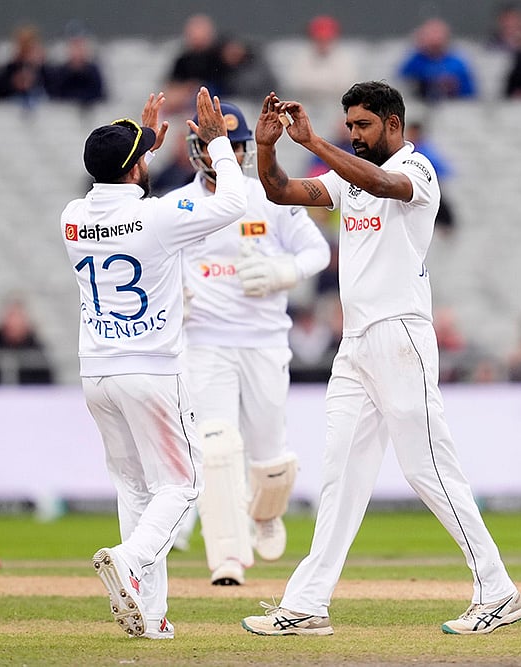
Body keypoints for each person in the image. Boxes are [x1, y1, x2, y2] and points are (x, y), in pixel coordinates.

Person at [240, 81, 521, 637]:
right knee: (340, 475)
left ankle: (497, 590)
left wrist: (317, 143)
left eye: (363, 125)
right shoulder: (348, 179)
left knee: (428, 469)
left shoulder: (417, 170)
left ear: (393, 124)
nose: (355, 134)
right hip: (356, 345)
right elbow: (279, 192)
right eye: (349, 125)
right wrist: (269, 147)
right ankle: (306, 605)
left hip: (401, 336)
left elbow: (381, 182)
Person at [63, 87, 246, 639]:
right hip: (150, 371)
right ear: (137, 167)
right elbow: (234, 203)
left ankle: (150, 614)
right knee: (183, 486)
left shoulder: (72, 217)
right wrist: (217, 146)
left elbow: (118, 183)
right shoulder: (159, 217)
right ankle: (132, 559)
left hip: (96, 372)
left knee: (136, 489)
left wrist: (138, 141)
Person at [168, 101, 329, 586]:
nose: (234, 154)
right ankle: (228, 558)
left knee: (270, 455)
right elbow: (154, 259)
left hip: (264, 342)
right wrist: (175, 297)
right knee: (216, 447)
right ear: (199, 151)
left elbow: (317, 251)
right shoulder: (181, 204)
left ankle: (265, 513)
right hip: (206, 341)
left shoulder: (267, 197)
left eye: (240, 147)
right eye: (225, 146)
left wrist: (285, 271)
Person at [397, 18, 477, 103]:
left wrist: (454, 86)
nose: (434, 46)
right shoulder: (414, 61)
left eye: (437, 44)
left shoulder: (457, 64)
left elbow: (470, 93)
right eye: (431, 43)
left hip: (453, 106)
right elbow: (402, 82)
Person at [44, 22, 106, 109]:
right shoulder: (60, 72)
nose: (77, 51)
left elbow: (100, 95)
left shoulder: (93, 70)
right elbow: (55, 96)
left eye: (80, 46)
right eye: (74, 46)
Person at [0, 24, 49, 108]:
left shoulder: (43, 68)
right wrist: (15, 83)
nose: (26, 49)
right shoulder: (11, 68)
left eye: (29, 44)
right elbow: (0, 90)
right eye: (23, 44)